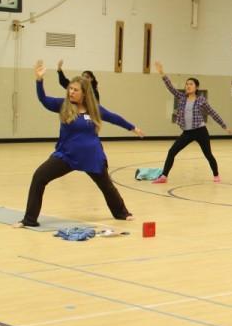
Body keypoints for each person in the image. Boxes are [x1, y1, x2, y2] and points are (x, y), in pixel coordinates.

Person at [15, 60, 143, 228]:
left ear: (84, 93)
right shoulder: (63, 105)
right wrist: (39, 81)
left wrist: (132, 128)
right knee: (39, 177)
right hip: (66, 156)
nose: (71, 92)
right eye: (70, 89)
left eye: (75, 90)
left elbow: (114, 117)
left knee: (107, 186)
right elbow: (44, 100)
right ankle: (29, 219)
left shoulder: (94, 109)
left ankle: (122, 213)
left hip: (92, 157)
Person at [152, 61, 231, 184]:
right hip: (187, 132)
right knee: (172, 151)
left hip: (200, 131)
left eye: (191, 84)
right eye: (187, 84)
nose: (188, 86)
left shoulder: (201, 100)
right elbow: (170, 87)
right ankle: (164, 176)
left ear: (196, 87)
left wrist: (224, 126)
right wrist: (162, 72)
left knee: (208, 154)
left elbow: (212, 113)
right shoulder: (182, 97)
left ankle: (216, 175)